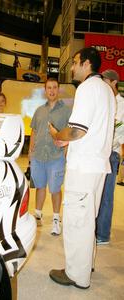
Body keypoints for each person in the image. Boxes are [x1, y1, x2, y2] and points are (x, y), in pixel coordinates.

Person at [48, 47, 115, 289]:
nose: (72, 67)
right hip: (97, 166)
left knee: (77, 220)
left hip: (84, 167)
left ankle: (77, 274)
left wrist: (59, 135)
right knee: (89, 219)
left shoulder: (87, 88)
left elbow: (78, 130)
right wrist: (68, 138)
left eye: (75, 62)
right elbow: (92, 129)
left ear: (86, 64)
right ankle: (87, 264)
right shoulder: (107, 90)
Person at [28, 77, 71, 235]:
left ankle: (55, 219)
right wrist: (31, 152)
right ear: (45, 90)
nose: (52, 90)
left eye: (54, 87)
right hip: (38, 156)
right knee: (40, 186)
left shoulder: (66, 111)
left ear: (58, 89)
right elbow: (34, 131)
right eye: (49, 88)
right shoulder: (39, 110)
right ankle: (38, 215)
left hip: (56, 157)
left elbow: (70, 133)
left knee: (55, 189)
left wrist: (66, 150)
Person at [96, 69, 124, 245]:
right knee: (96, 192)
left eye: (105, 82)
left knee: (106, 195)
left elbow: (116, 127)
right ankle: (95, 229)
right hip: (98, 153)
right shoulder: (105, 101)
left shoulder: (121, 104)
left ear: (114, 82)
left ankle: (103, 235)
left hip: (111, 153)